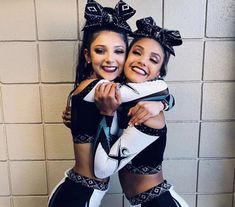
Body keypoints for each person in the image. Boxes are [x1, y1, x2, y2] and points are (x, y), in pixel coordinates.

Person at [93, 17, 189, 206]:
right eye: (137, 52)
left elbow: (103, 168)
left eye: (153, 60)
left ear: (159, 73)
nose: (143, 62)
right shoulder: (121, 100)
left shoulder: (146, 113)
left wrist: (162, 103)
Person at [48, 0, 135, 206]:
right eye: (100, 50)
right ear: (87, 55)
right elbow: (157, 90)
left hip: (80, 192)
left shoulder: (102, 91)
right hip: (78, 196)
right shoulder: (99, 88)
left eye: (119, 51)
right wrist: (163, 103)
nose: (110, 59)